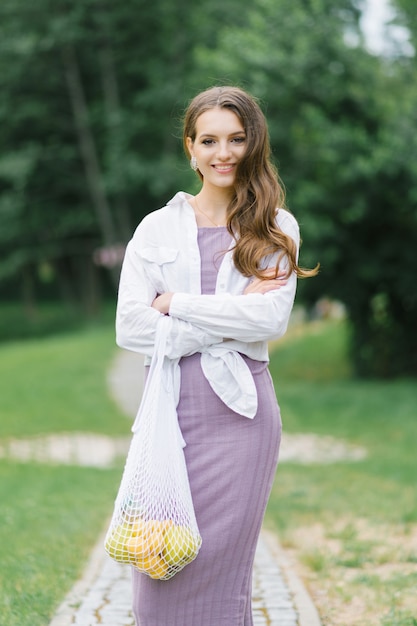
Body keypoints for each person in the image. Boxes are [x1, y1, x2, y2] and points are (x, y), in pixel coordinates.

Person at [115, 85, 318, 626]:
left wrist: (174, 305)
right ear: (190, 148)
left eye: (236, 138)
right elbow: (130, 325)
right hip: (170, 418)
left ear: (254, 144)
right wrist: (227, 314)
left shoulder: (276, 227)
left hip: (241, 419)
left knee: (220, 572)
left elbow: (269, 320)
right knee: (160, 570)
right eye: (209, 140)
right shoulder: (154, 229)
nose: (222, 152)